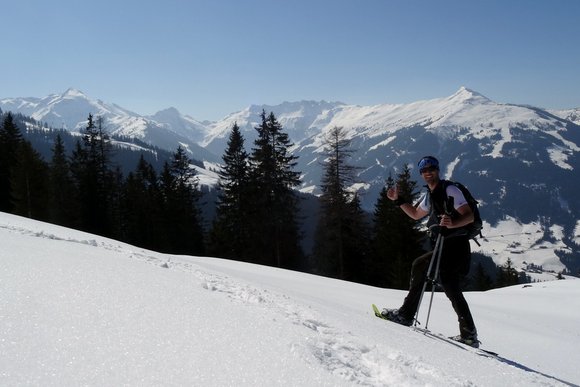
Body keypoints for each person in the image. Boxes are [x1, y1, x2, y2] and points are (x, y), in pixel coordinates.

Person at [382, 155, 479, 347]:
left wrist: (453, 223)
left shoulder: (449, 189)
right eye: (424, 171)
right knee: (451, 287)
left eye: (431, 169)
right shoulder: (430, 194)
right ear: (421, 174)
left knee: (421, 266)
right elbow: (416, 214)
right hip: (447, 245)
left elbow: (469, 216)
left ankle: (406, 315)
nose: (428, 173)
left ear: (437, 170)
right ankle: (469, 334)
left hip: (455, 245)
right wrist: (398, 200)